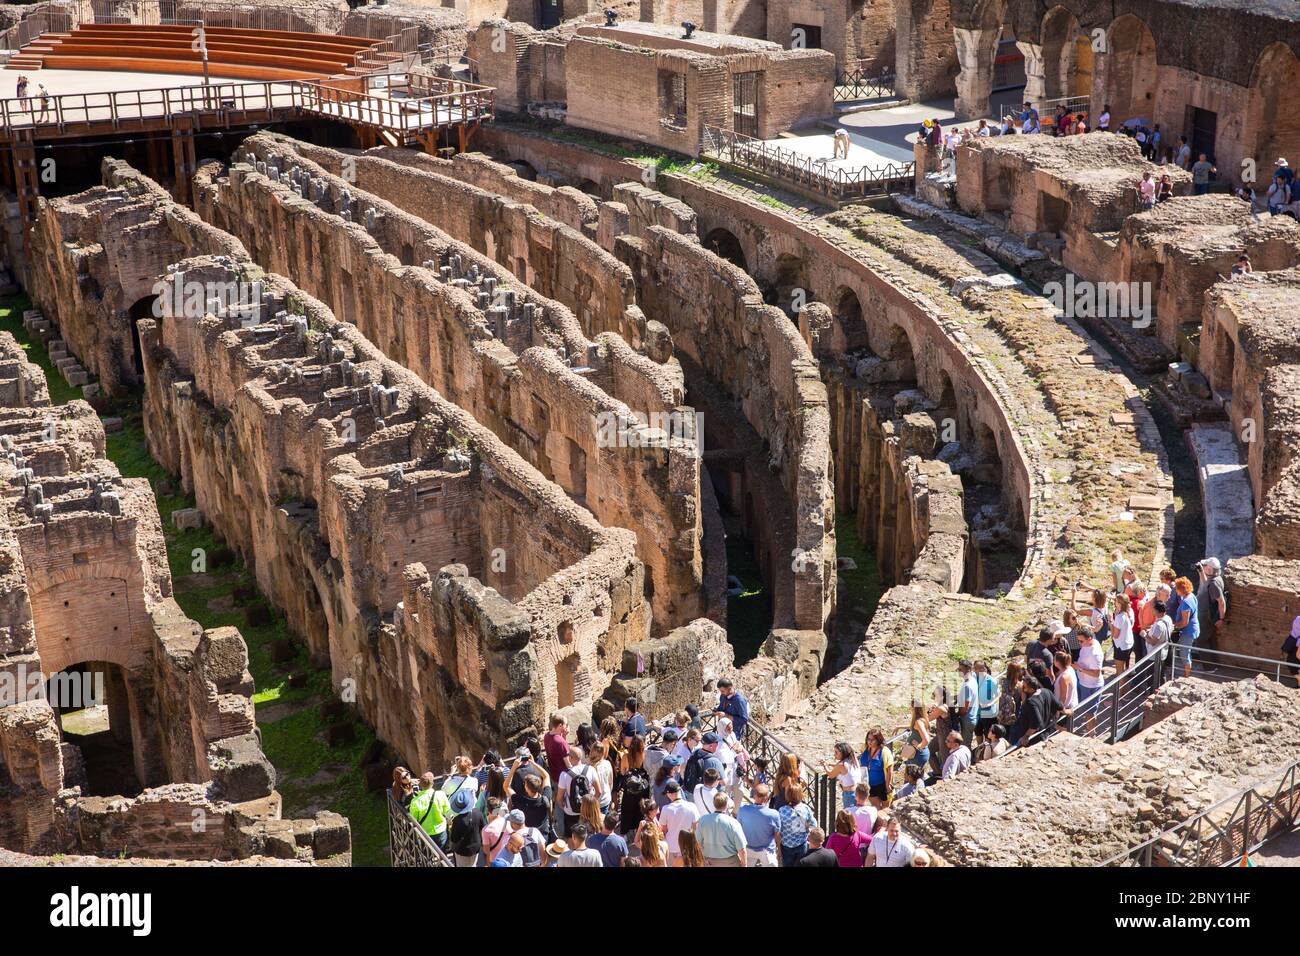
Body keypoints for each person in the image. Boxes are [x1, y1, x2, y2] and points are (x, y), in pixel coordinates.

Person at [557, 744, 601, 836]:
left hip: (571, 811)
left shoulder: (564, 775)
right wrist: (590, 804)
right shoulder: (591, 769)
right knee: (587, 833)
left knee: (571, 835)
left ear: (570, 758)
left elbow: (559, 798)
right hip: (587, 810)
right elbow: (599, 792)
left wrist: (564, 806)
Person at [697, 790, 747, 866]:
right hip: (730, 863)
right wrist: (744, 864)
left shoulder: (702, 820)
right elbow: (742, 849)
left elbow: (698, 844)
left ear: (714, 804)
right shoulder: (733, 823)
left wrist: (702, 859)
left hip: (709, 862)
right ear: (727, 804)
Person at [737, 782, 781, 866]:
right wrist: (779, 851)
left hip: (748, 848)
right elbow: (777, 834)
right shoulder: (774, 814)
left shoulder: (743, 810)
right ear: (767, 797)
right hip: (767, 850)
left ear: (754, 796)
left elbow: (739, 828)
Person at [658, 778, 699, 865]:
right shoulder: (692, 806)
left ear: (669, 794)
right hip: (687, 847)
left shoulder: (666, 809)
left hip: (671, 846)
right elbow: (696, 827)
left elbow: (663, 829)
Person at [409, 772, 452, 849]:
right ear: (432, 783)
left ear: (421, 785)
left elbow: (414, 819)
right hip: (440, 830)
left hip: (425, 833)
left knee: (427, 855)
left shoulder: (415, 801)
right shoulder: (441, 794)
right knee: (442, 854)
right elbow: (447, 811)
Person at [778, 782, 816, 866]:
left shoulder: (782, 810)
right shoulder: (805, 809)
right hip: (801, 844)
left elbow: (778, 829)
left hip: (786, 845)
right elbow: (814, 825)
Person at [1196, 557, 1228, 655]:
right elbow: (1205, 583)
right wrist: (1201, 571)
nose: (1203, 567)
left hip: (1206, 615)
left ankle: (1209, 667)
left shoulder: (1214, 584)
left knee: (1201, 640)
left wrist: (1221, 619)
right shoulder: (1216, 578)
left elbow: (1221, 602)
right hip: (1205, 613)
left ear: (1210, 569)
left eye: (1205, 566)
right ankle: (1213, 666)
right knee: (1210, 638)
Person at [447, 787, 484, 867]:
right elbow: (482, 829)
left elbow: (454, 838)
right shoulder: (478, 813)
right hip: (476, 846)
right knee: (473, 864)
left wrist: (450, 828)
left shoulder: (457, 820)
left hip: (462, 850)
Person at [1172, 576, 1200, 676]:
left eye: (1176, 588)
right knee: (1187, 652)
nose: (1175, 590)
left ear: (1181, 589)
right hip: (1193, 628)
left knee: (1184, 654)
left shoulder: (1186, 603)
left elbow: (1184, 622)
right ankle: (1187, 673)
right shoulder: (1192, 596)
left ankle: (1186, 676)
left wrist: (1174, 627)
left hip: (1188, 632)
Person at [826, 740, 862, 809]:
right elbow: (838, 767)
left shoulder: (842, 765)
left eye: (836, 752)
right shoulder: (852, 758)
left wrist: (825, 766)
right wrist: (830, 764)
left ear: (843, 753)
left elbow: (831, 774)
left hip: (849, 794)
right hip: (858, 791)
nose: (834, 754)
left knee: (849, 816)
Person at [1075, 627, 1105, 707]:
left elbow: (1096, 674)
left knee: (1090, 713)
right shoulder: (1091, 642)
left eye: (1081, 641)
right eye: (1078, 640)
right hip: (1084, 683)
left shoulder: (1095, 654)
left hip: (1091, 686)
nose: (1079, 643)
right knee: (1086, 710)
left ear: (1089, 639)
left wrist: (1079, 669)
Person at [973, 660, 999, 738]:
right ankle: (980, 749)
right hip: (977, 712)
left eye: (981, 668)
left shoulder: (991, 681)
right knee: (978, 732)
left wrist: (988, 704)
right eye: (977, 668)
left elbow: (998, 696)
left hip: (989, 713)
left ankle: (987, 749)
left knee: (989, 734)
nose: (979, 670)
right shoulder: (973, 679)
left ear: (985, 668)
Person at [1111, 593, 1135, 674]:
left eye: (1116, 601)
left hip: (1121, 647)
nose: (1114, 602)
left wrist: (1110, 622)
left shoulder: (1119, 617)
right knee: (1123, 670)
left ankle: (1122, 687)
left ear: (1119, 603)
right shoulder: (1129, 611)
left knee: (1120, 671)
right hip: (1128, 644)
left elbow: (1115, 635)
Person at [903, 701, 931, 769]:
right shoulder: (923, 719)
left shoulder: (918, 722)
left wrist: (918, 746)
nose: (910, 708)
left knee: (912, 777)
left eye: (911, 707)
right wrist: (899, 727)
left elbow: (927, 739)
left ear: (914, 709)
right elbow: (914, 727)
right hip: (919, 753)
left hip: (917, 755)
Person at [543, 713, 569, 782]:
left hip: (554, 774)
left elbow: (559, 750)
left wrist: (564, 736)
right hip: (563, 777)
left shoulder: (546, 736)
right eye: (566, 724)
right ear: (560, 725)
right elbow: (568, 764)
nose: (566, 726)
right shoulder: (560, 742)